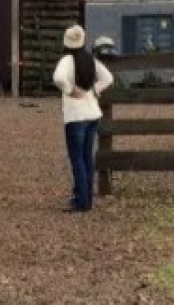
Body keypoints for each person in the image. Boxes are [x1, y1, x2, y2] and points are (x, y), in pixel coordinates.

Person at [53, 24, 114, 212]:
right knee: (87, 157)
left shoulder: (67, 60)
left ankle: (81, 200)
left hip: (76, 116)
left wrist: (71, 90)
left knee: (77, 159)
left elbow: (58, 78)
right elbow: (108, 78)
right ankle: (87, 200)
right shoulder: (90, 60)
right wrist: (95, 89)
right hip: (92, 113)